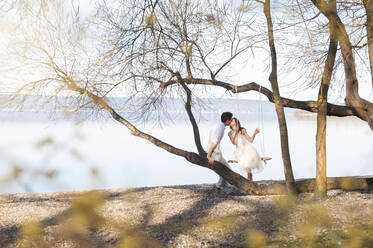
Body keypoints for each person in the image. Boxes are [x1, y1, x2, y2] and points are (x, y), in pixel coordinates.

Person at [228, 118, 263, 182]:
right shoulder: (230, 133)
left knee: (248, 165)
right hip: (239, 150)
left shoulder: (242, 130)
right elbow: (234, 143)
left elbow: (250, 140)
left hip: (247, 148)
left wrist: (255, 133)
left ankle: (250, 179)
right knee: (246, 166)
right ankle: (250, 178)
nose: (231, 121)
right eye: (230, 121)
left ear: (236, 122)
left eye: (232, 120)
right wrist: (236, 133)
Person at [207, 112, 233, 193]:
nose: (232, 121)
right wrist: (208, 155)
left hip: (214, 151)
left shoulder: (218, 125)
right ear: (227, 120)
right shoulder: (220, 129)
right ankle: (223, 188)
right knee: (226, 169)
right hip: (215, 153)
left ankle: (220, 188)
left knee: (223, 169)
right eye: (231, 119)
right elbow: (214, 142)